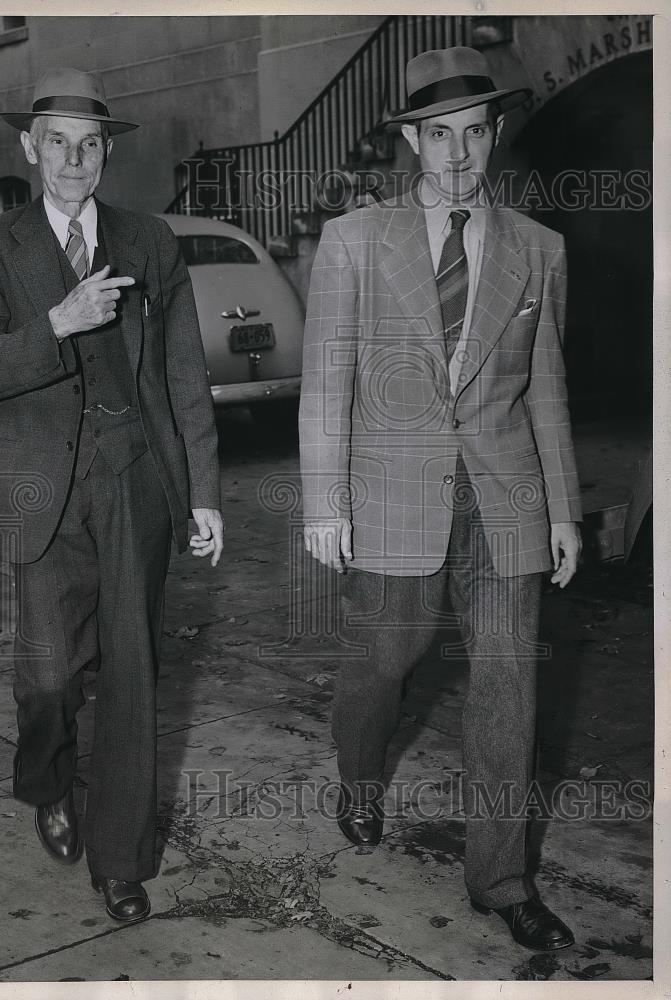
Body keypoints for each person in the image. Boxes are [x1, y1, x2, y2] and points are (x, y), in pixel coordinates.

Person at [299, 46, 582, 952]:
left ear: (492, 135)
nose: (456, 155)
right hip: (390, 493)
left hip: (506, 495)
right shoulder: (354, 241)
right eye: (436, 136)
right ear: (410, 142)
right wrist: (323, 501)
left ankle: (501, 878)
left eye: (471, 133)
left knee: (509, 686)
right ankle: (358, 774)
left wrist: (565, 510)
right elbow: (326, 379)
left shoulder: (539, 250)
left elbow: (545, 387)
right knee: (386, 662)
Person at [0, 68, 223, 924]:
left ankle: (122, 859)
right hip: (39, 489)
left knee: (135, 671)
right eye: (57, 143)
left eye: (90, 144)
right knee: (48, 676)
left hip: (134, 479)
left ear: (107, 154)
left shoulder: (148, 241)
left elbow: (184, 375)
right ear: (30, 150)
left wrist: (203, 493)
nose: (74, 159)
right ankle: (46, 779)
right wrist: (57, 325)